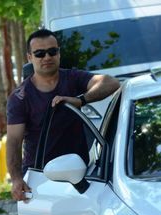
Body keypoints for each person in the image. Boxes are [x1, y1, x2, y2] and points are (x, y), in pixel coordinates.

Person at [6, 29, 120, 201]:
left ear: (59, 53)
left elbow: (111, 83)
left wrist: (80, 100)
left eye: (52, 51)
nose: (47, 57)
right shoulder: (20, 98)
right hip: (40, 181)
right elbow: (14, 141)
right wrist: (16, 179)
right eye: (39, 53)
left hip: (81, 176)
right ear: (29, 57)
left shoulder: (72, 78)